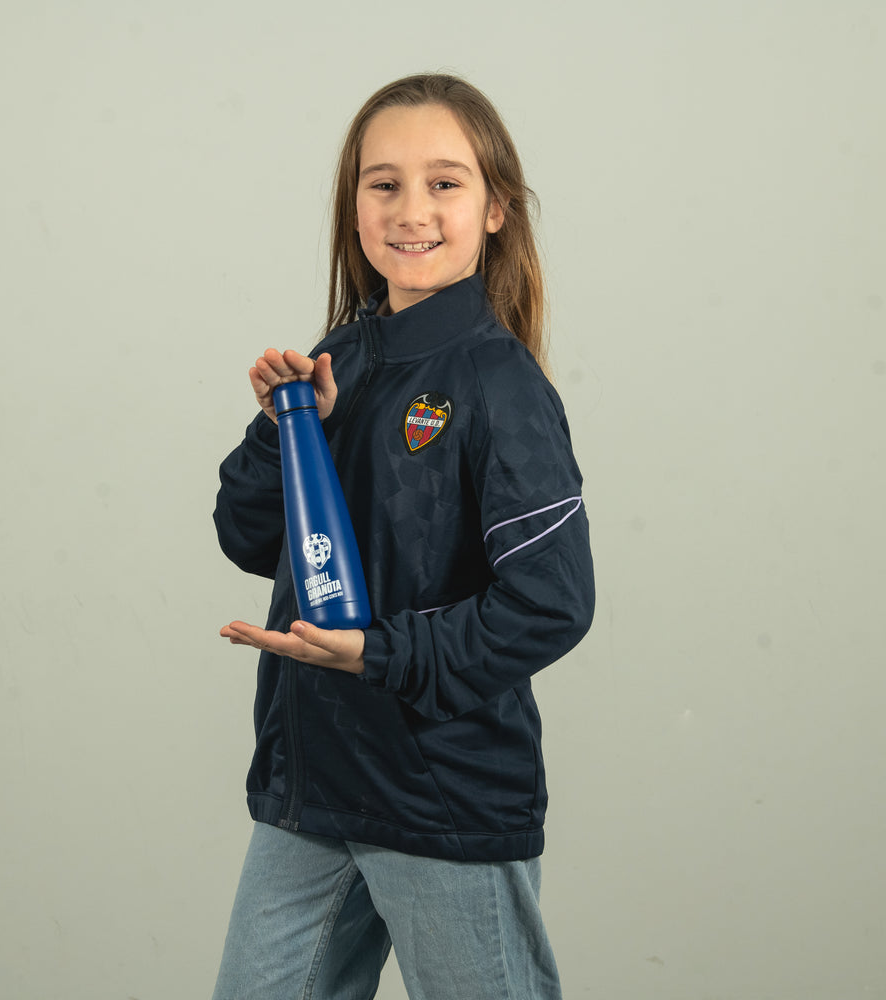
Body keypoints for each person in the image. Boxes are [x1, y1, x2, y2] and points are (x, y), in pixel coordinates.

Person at [210, 73, 595, 1000]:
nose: (411, 210)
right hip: (313, 788)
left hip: (441, 799)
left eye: (444, 183)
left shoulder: (500, 384)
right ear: (354, 209)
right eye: (383, 184)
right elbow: (250, 537)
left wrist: (377, 654)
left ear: (496, 208)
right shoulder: (337, 359)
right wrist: (287, 432)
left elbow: (551, 604)